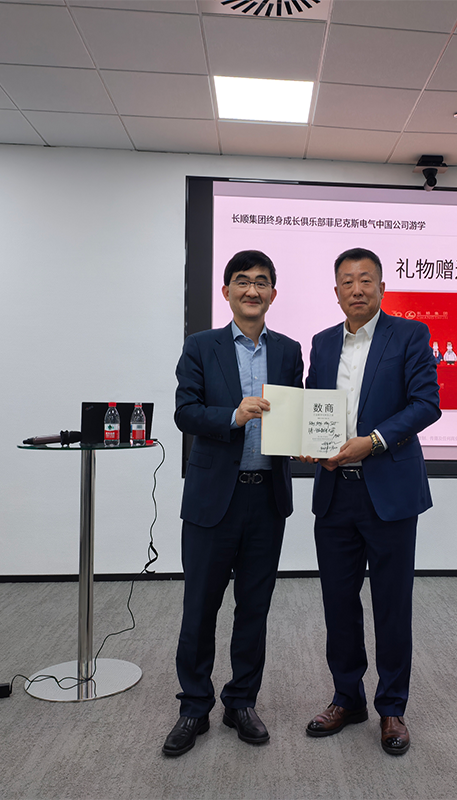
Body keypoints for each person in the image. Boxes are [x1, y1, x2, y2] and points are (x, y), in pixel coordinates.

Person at [164, 250, 304, 757]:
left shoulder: (288, 351)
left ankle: (241, 701)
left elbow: (297, 414)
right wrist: (233, 416)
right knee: (200, 607)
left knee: (254, 608)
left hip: (266, 499)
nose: (252, 290)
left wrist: (309, 437)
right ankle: (193, 706)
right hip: (212, 500)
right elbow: (185, 412)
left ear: (273, 294)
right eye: (242, 281)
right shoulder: (201, 346)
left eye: (261, 282)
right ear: (226, 292)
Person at [301, 247, 441, 756]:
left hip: (390, 492)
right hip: (335, 491)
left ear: (382, 287)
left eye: (366, 280)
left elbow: (427, 404)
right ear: (335, 291)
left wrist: (375, 441)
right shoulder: (321, 343)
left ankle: (392, 707)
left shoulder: (410, 335)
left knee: (391, 603)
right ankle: (347, 698)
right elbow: (312, 406)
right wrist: (308, 442)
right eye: (347, 281)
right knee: (338, 602)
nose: (356, 289)